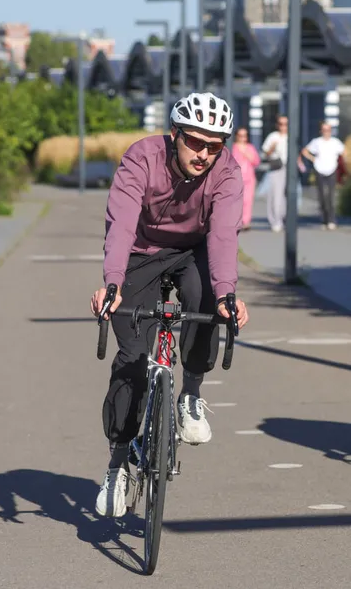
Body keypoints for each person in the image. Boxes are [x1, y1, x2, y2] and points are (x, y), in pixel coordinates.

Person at [89, 91, 250, 518]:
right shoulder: (142, 157)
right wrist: (112, 283)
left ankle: (190, 395)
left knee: (208, 300)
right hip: (140, 252)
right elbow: (121, 223)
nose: (204, 154)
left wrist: (227, 292)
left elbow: (223, 235)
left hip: (193, 252)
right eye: (195, 142)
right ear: (175, 134)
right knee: (132, 358)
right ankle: (117, 464)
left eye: (214, 146)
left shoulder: (227, 172)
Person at [299, 121, 345, 229]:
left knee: (331, 196)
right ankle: (324, 219)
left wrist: (342, 165)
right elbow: (305, 151)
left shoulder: (335, 142)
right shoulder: (317, 142)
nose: (326, 132)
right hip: (319, 169)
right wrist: (313, 159)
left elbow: (344, 152)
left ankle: (331, 219)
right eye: (324, 130)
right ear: (321, 131)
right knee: (322, 196)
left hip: (332, 170)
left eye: (328, 130)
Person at [261, 115, 289, 232]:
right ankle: (275, 221)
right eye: (281, 124)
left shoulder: (291, 136)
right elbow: (265, 153)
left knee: (287, 195)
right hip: (276, 168)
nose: (283, 127)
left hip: (289, 168)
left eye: (286, 124)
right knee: (275, 195)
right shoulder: (273, 136)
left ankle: (284, 218)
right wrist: (272, 148)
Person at [231, 126, 261, 231]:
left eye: (244, 135)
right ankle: (236, 221)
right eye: (240, 135)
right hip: (235, 178)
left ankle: (246, 222)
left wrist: (247, 154)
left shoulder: (250, 147)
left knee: (247, 200)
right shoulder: (233, 147)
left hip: (249, 178)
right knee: (236, 200)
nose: (242, 138)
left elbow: (256, 162)